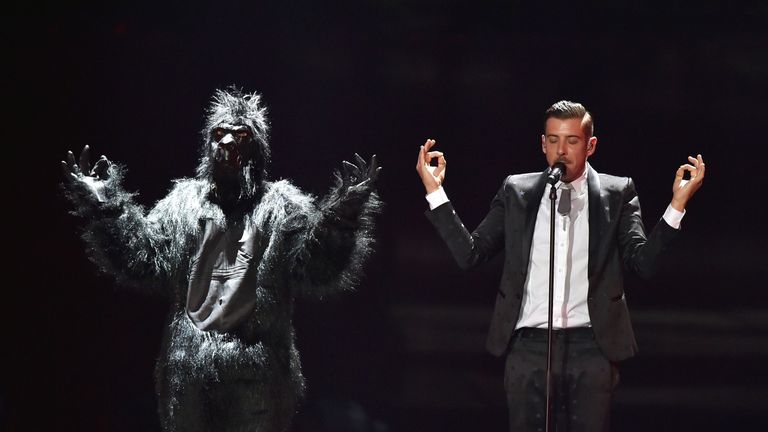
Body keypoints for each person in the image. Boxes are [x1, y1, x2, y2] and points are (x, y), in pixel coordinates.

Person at [60, 87, 382, 432]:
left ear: (256, 149)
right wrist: (106, 206)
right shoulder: (182, 203)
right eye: (219, 133)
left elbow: (317, 269)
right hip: (189, 370)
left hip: (257, 372)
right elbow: (141, 258)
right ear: (207, 143)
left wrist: (341, 218)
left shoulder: (282, 206)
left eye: (240, 136)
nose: (227, 142)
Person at [415, 100, 705, 432]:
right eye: (553, 140)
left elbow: (643, 263)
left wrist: (676, 206)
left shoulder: (617, 192)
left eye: (572, 141)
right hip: (528, 347)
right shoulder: (517, 191)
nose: (561, 150)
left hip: (591, 346)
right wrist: (435, 191)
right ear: (542, 144)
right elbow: (471, 254)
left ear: (590, 145)